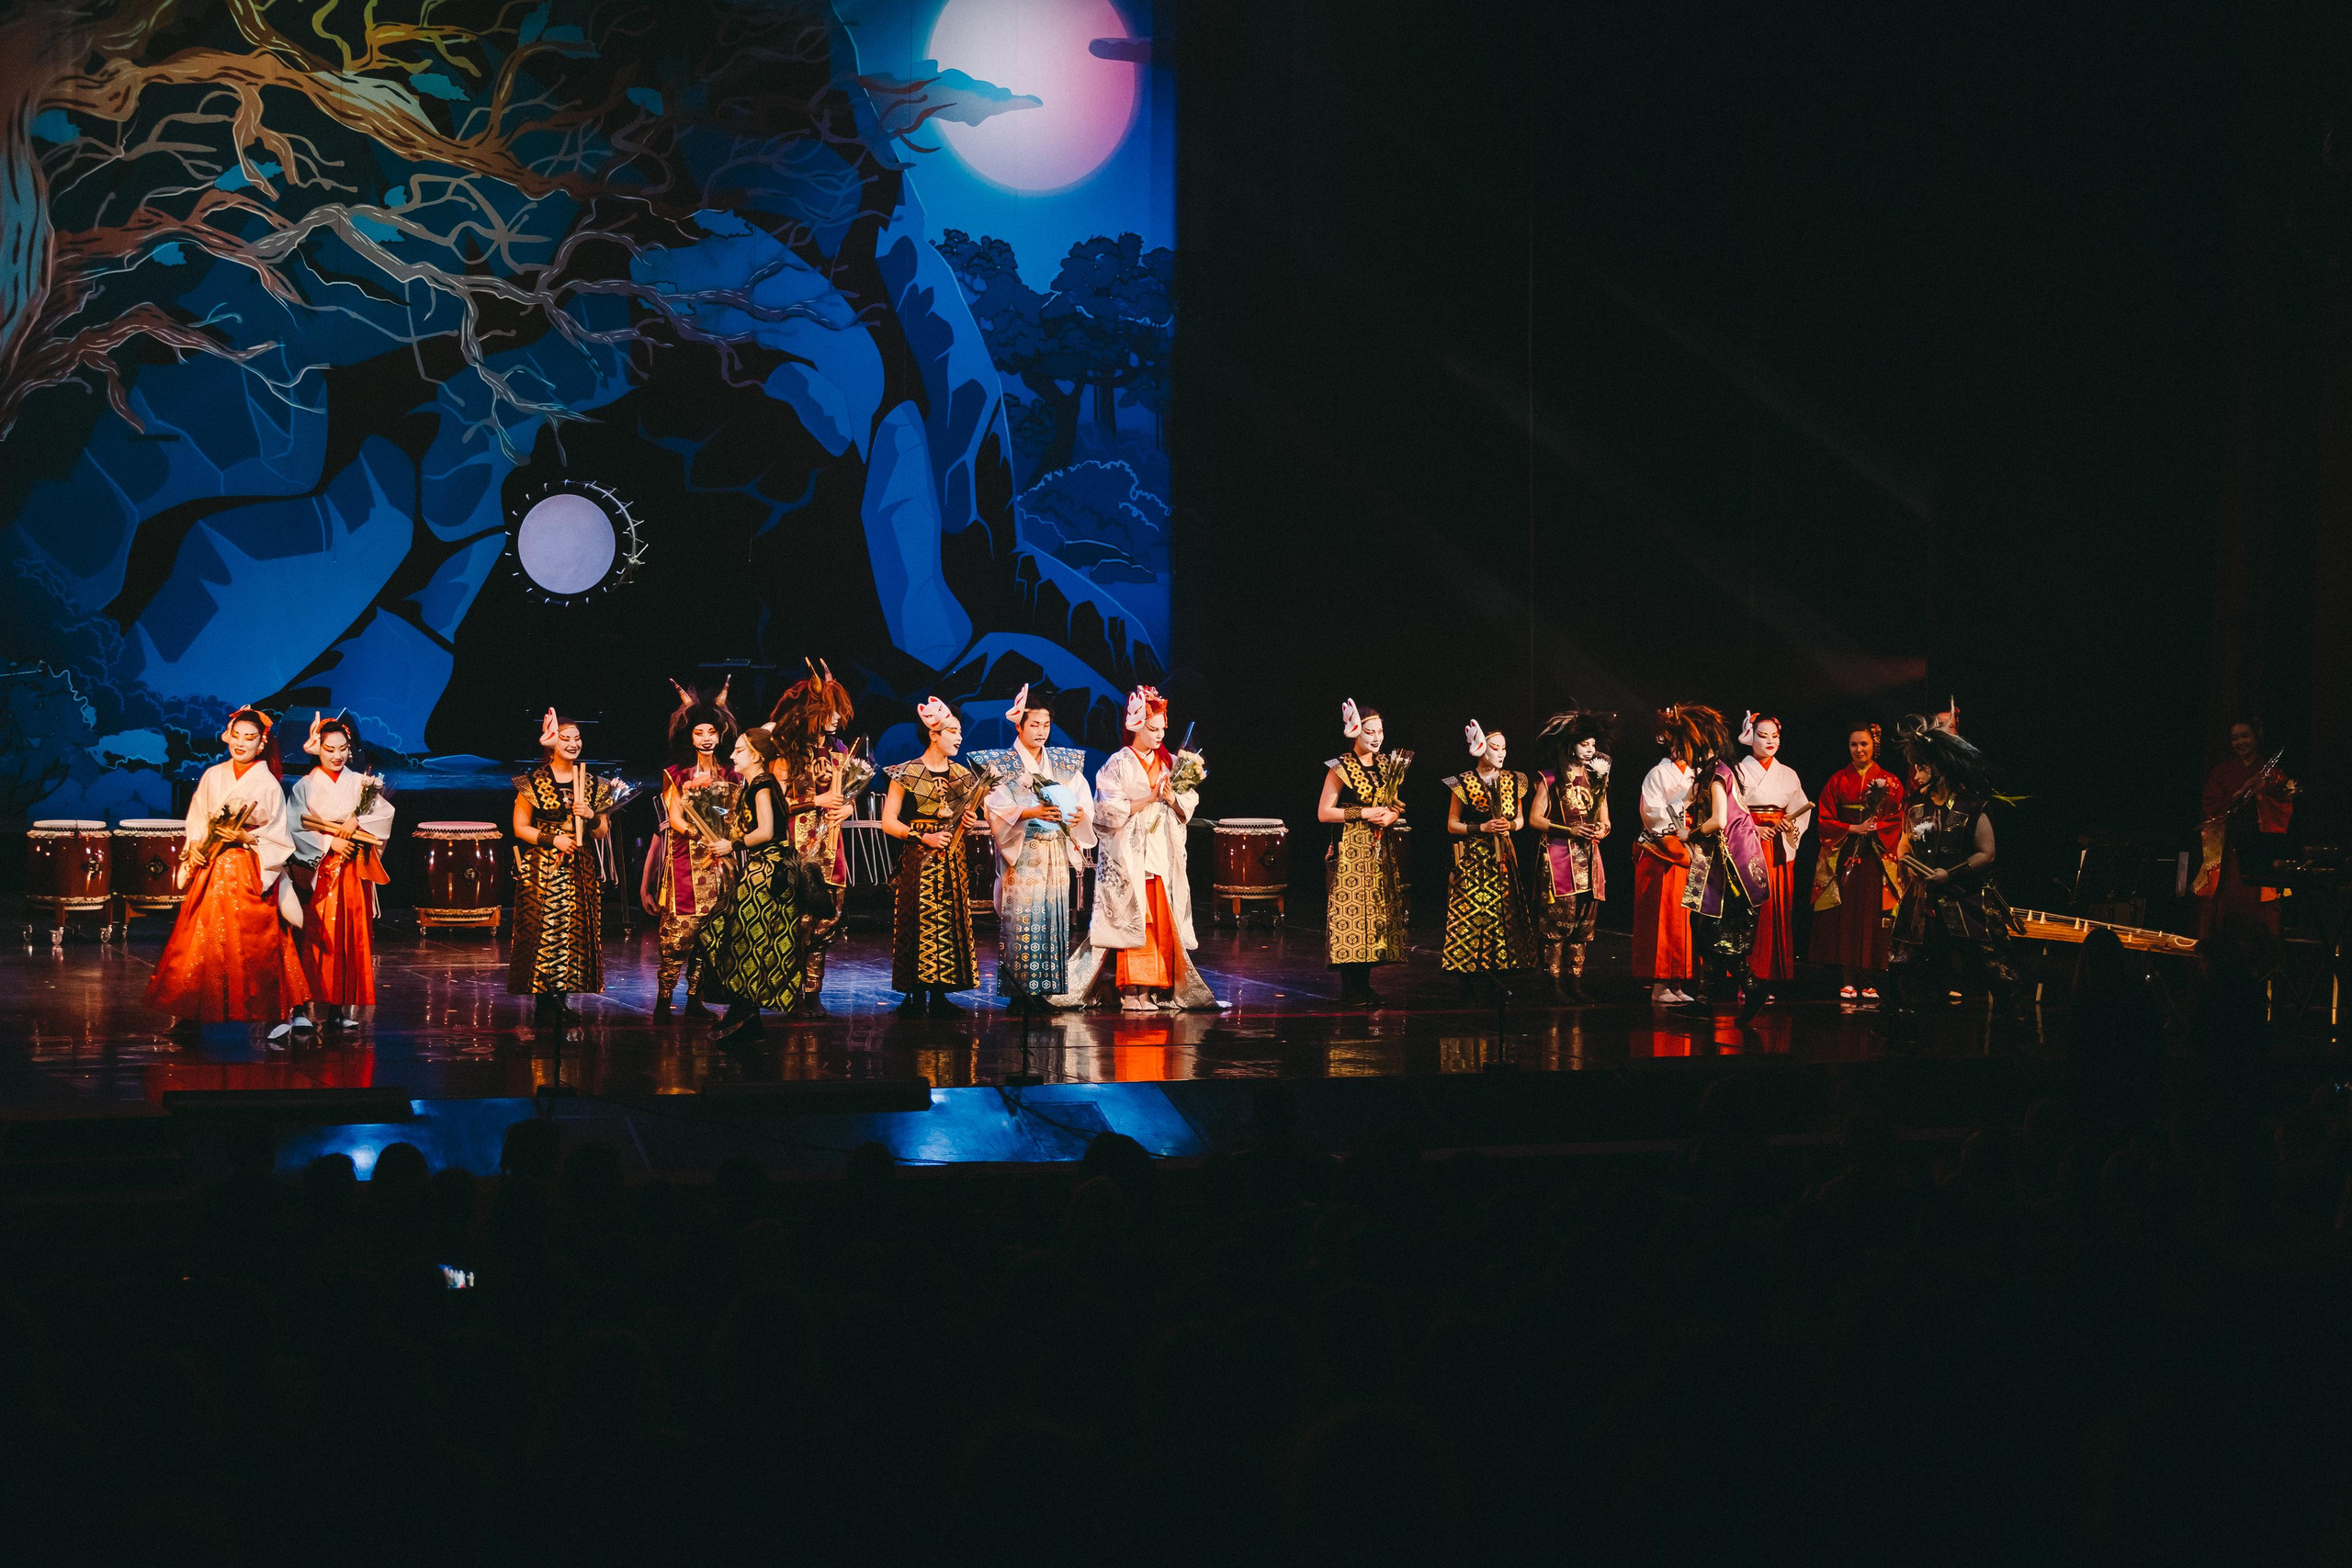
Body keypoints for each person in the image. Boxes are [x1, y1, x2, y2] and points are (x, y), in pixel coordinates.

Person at [144, 706, 311, 1040]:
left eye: (249, 738)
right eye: (236, 736)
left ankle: (282, 1010)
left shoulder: (267, 782)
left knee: (260, 941)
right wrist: (195, 844)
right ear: (227, 737)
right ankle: (193, 1010)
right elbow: (197, 817)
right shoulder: (213, 775)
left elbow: (278, 833)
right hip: (212, 864)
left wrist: (245, 836)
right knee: (200, 939)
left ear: (261, 744)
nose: (241, 744)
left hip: (249, 867)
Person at [1057, 686, 1222, 1010]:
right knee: (1134, 919)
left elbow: (1186, 802)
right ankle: (1131, 991)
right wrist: (1151, 797)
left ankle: (1150, 989)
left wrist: (1173, 798)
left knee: (1158, 921)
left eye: (1162, 729)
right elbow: (1107, 811)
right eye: (1152, 728)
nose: (1159, 735)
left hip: (1159, 852)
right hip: (1126, 856)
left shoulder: (1171, 763)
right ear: (1135, 726)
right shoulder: (1116, 764)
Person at [1886, 713, 2020, 1033]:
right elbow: (1903, 845)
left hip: (1968, 902)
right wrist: (1906, 861)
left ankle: (2016, 1026)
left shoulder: (1972, 806)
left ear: (1939, 768)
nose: (1916, 774)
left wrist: (1950, 874)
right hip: (1924, 903)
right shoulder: (1915, 807)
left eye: (1921, 767)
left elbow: (1987, 853)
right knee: (1906, 965)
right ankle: (1905, 1029)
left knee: (1994, 968)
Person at [694, 727, 820, 1043]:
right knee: (743, 937)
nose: (733, 755)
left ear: (756, 755)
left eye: (739, 750)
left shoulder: (762, 784)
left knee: (744, 937)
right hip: (764, 868)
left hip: (770, 870)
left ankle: (745, 1014)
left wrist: (731, 844)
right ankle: (746, 1016)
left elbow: (766, 831)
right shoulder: (755, 784)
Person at [981, 685, 1094, 1012]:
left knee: (1054, 917)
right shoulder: (1005, 764)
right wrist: (1029, 812)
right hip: (1025, 849)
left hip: (1055, 849)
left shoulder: (1063, 761)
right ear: (1019, 726)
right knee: (1023, 919)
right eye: (1034, 725)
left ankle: (1045, 989)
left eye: (1046, 725)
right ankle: (1020, 992)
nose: (1041, 732)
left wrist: (1079, 814)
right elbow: (995, 807)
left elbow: (1081, 799)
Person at [508, 711, 618, 1029]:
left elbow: (602, 831)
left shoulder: (592, 783)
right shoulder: (534, 780)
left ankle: (564, 997)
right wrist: (551, 838)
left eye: (577, 738)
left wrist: (592, 816)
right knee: (544, 932)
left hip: (579, 867)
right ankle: (545, 999)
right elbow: (519, 827)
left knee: (573, 932)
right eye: (565, 738)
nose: (573, 744)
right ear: (552, 742)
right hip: (543, 868)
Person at [286, 712, 395, 1030]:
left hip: (350, 872)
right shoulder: (305, 786)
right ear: (317, 748)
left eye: (342, 748)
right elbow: (295, 825)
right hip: (318, 871)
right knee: (313, 936)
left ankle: (337, 1008)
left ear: (350, 749)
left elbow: (383, 815)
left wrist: (357, 822)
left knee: (347, 937)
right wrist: (329, 843)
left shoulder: (360, 782)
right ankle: (300, 1009)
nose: (336, 755)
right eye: (329, 748)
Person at [879, 697, 985, 1015]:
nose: (959, 737)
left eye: (960, 732)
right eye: (953, 731)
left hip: (952, 860)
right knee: (917, 921)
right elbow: (889, 821)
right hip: (918, 859)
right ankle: (914, 994)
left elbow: (966, 820)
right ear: (933, 733)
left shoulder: (963, 776)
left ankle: (941, 993)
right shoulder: (906, 773)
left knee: (949, 921)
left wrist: (968, 822)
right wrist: (921, 836)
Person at [766, 659, 859, 1015]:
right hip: (795, 848)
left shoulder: (838, 752)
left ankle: (813, 992)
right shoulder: (787, 750)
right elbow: (773, 802)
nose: (836, 718)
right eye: (830, 711)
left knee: (824, 926)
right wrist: (813, 801)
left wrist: (846, 808)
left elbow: (846, 795)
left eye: (838, 712)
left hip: (830, 850)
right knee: (793, 924)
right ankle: (788, 991)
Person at [650, 681, 740, 1021]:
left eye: (711, 732)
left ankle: (695, 998)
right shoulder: (677, 773)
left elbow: (735, 815)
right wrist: (697, 832)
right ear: (690, 736)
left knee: (712, 935)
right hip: (687, 861)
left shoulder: (732, 773)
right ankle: (663, 999)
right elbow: (674, 817)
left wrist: (726, 835)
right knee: (679, 935)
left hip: (720, 860)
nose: (706, 737)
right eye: (699, 731)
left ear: (719, 735)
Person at [1681, 706, 1770, 1016]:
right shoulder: (1711, 773)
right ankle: (1708, 1000)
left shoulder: (1718, 775)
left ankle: (1750, 987)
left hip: (1733, 868)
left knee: (1720, 936)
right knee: (1710, 932)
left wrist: (1688, 834)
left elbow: (1719, 820)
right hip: (1720, 865)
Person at [1317, 699, 1408, 1007]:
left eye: (1380, 731)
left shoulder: (1386, 766)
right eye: (1369, 731)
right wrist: (1366, 812)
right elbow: (1324, 812)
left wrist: (1391, 816)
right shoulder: (1340, 766)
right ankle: (1350, 987)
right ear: (1355, 731)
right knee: (1352, 917)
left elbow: (1395, 805)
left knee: (1375, 915)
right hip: (1351, 850)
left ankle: (1365, 984)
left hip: (1379, 848)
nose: (1376, 737)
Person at [1810, 722, 1905, 1003]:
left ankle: (1871, 980)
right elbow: (1825, 818)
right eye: (1854, 744)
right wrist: (1852, 829)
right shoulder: (1838, 779)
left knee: (1873, 917)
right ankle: (1848, 979)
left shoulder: (1891, 780)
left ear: (1874, 745)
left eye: (1864, 744)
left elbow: (1899, 816)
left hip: (1876, 855)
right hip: (1845, 851)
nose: (1859, 749)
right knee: (1845, 917)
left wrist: (1875, 828)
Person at [1441, 721, 1537, 996]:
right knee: (1472, 916)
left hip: (1503, 855)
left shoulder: (1514, 780)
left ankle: (1497, 976)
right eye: (1496, 748)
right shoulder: (1464, 781)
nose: (1502, 753)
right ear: (1481, 749)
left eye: (1505, 748)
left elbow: (1520, 818)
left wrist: (1512, 826)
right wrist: (1481, 827)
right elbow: (1452, 824)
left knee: (1501, 915)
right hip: (1473, 857)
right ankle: (1467, 981)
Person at [2194, 716, 2297, 969]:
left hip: (2260, 849)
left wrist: (2264, 792)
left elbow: (2285, 803)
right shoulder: (2221, 772)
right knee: (2227, 904)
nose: (2240, 742)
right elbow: (2211, 806)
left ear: (2256, 737)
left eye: (2245, 736)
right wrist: (2238, 795)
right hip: (2231, 850)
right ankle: (2220, 960)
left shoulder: (2271, 772)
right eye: (2235, 738)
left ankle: (2262, 962)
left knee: (2260, 906)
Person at [1528, 707, 1613, 1003]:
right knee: (1557, 924)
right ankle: (1552, 984)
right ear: (1570, 745)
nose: (1591, 750)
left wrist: (1602, 830)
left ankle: (1575, 982)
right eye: (1584, 744)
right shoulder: (1550, 777)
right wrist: (1568, 830)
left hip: (1589, 860)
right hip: (1559, 859)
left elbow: (1606, 820)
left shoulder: (1597, 779)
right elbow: (1535, 819)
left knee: (1583, 926)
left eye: (1593, 745)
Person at [1732, 714, 1812, 1010]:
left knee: (1774, 910)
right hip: (1749, 845)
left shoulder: (1788, 773)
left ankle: (1764, 978)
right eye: (1763, 735)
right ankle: (1745, 978)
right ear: (1750, 736)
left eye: (1774, 736)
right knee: (1749, 912)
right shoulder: (1738, 771)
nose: (1770, 741)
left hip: (1778, 848)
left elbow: (1799, 810)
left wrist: (1791, 826)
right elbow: (1730, 811)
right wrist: (1754, 827)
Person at [1634, 705, 1710, 1005]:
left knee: (1688, 916)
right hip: (1666, 851)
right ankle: (1659, 984)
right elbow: (1652, 815)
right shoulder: (1657, 774)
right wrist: (1685, 802)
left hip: (1693, 848)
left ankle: (1679, 981)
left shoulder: (1699, 773)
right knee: (1665, 917)